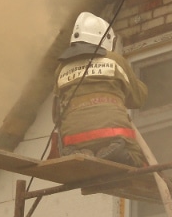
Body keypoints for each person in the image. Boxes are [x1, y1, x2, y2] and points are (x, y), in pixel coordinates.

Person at [53, 11, 148, 167]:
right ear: (106, 40)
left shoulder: (60, 69)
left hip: (73, 139)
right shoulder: (114, 60)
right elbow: (138, 98)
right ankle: (117, 152)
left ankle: (81, 150)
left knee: (75, 142)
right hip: (113, 134)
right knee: (135, 155)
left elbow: (56, 115)